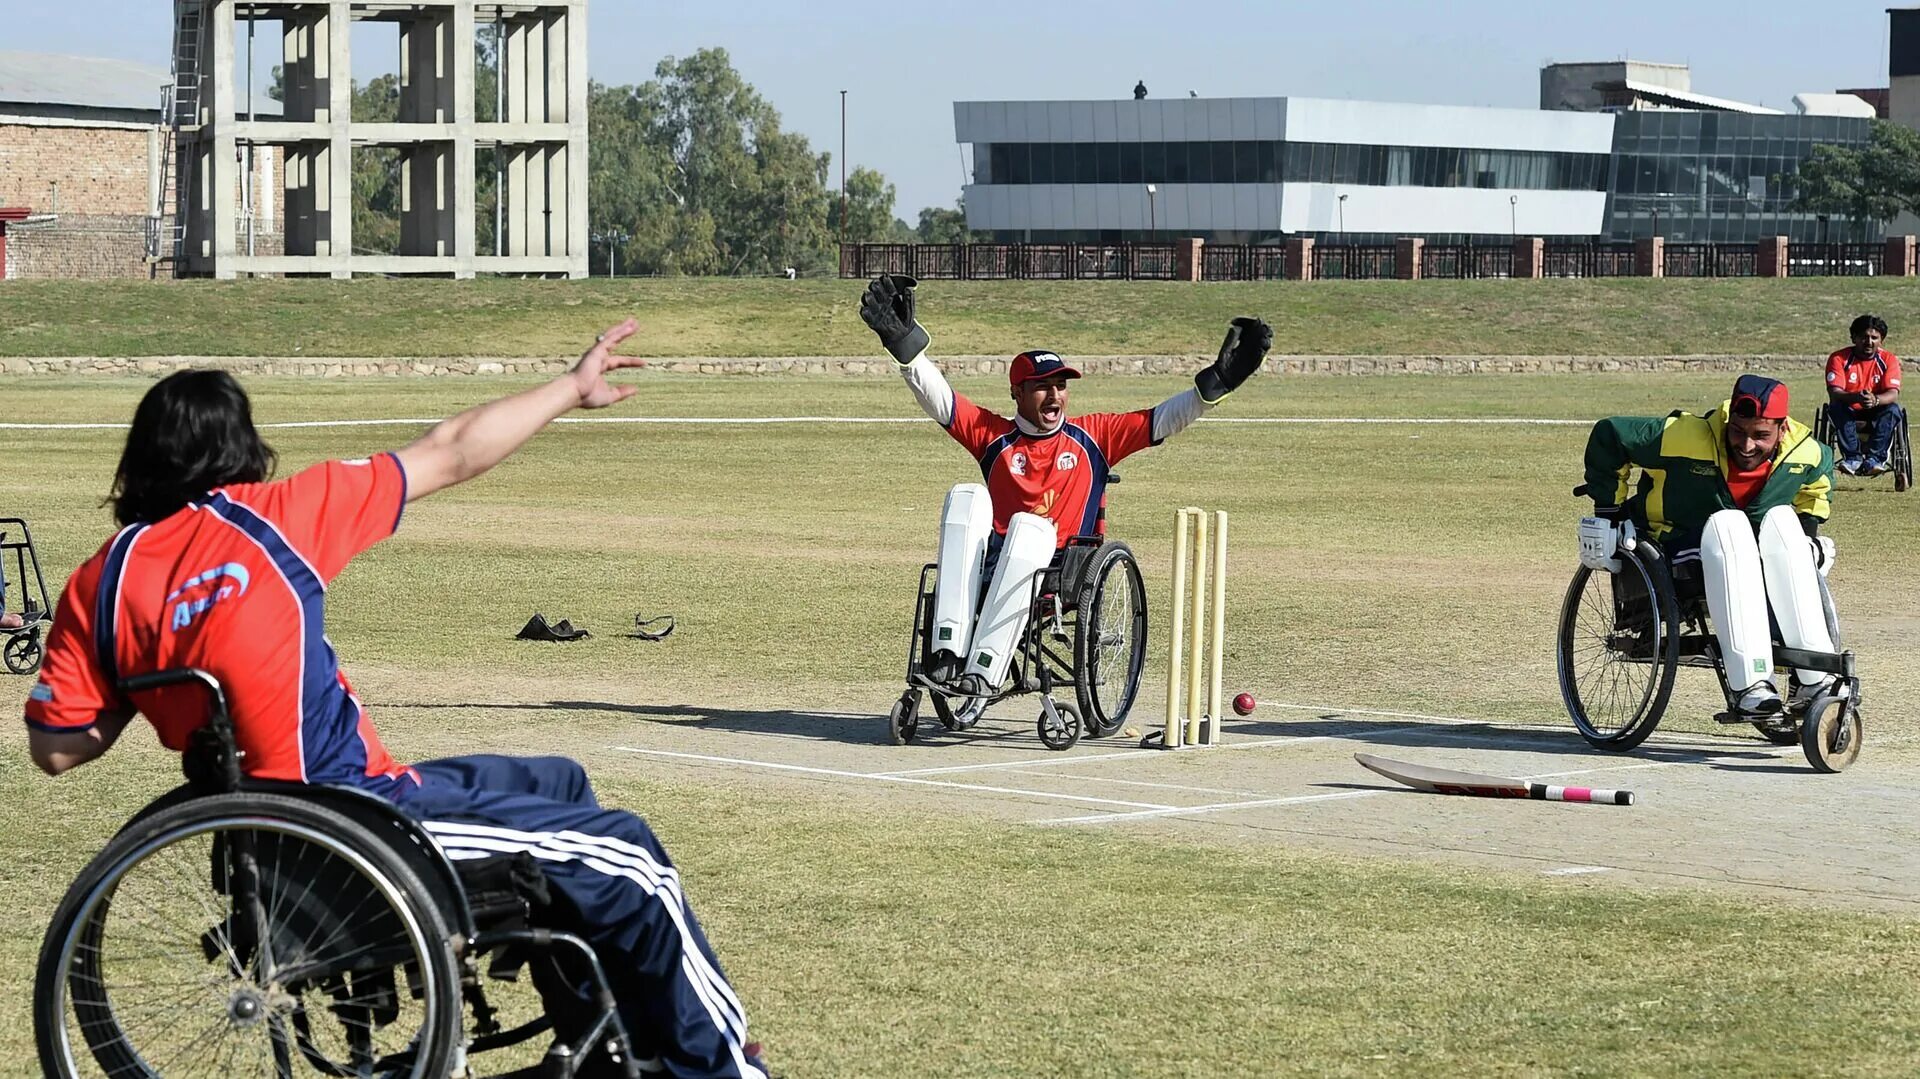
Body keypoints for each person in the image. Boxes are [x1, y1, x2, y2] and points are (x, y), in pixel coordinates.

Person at [24, 324, 768, 1079]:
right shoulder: (273, 515)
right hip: (352, 825)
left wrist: (142, 686)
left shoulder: (100, 583)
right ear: (241, 453)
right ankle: (722, 1069)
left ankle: (614, 1050)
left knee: (561, 782)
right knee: (631, 857)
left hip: (262, 846)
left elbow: (57, 747)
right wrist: (572, 389)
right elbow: (451, 448)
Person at [858, 272, 1270, 695]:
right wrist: (903, 348)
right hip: (995, 560)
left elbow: (1162, 419)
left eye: (1060, 385)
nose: (1054, 395)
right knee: (966, 497)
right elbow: (941, 400)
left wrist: (1217, 385)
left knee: (1029, 529)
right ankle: (946, 655)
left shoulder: (1095, 438)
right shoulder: (994, 437)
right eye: (1041, 388)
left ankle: (983, 670)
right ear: (1017, 393)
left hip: (1060, 568)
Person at [1582, 374, 1838, 718]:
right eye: (1738, 432)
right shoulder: (1683, 436)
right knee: (1728, 522)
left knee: (1782, 521)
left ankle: (1816, 675)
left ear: (1782, 428)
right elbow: (1609, 435)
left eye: (1761, 435)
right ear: (1729, 421)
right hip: (1677, 540)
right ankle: (1751, 683)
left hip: (1752, 551)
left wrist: (1807, 538)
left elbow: (1816, 489)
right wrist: (1608, 513)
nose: (1746, 446)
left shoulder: (1805, 451)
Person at [1824, 312, 1904, 476]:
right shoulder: (1838, 359)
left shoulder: (1888, 360)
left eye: (1874, 338)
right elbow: (1835, 392)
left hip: (1877, 409)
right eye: (1864, 337)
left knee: (1894, 409)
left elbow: (1892, 393)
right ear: (1854, 338)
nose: (1869, 342)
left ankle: (1875, 459)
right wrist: (1857, 397)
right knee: (1836, 407)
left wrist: (1875, 400)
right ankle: (1853, 458)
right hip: (1849, 408)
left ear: (1881, 340)